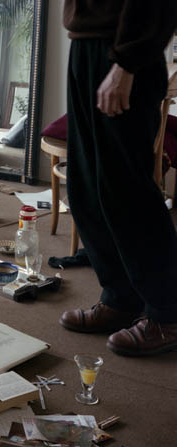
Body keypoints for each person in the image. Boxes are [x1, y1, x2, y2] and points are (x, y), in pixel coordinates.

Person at [59, 1, 177, 356]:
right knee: (86, 187)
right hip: (85, 43)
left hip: (123, 53)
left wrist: (127, 62)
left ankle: (168, 313)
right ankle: (121, 298)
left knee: (126, 193)